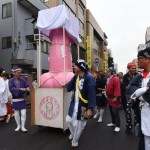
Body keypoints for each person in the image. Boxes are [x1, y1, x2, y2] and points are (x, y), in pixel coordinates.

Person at [66, 59, 96, 148]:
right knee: (69, 120)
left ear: (80, 67)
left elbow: (91, 94)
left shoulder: (89, 77)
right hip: (74, 103)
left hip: (83, 105)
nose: (74, 67)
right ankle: (73, 134)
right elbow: (68, 88)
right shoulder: (76, 76)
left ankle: (75, 141)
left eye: (75, 65)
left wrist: (90, 108)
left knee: (79, 124)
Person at [126, 47, 150, 150]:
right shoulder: (140, 76)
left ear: (148, 59)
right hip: (142, 113)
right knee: (144, 139)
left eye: (140, 58)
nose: (137, 60)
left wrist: (139, 93)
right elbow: (129, 89)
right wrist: (145, 91)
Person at [9, 68, 30, 132]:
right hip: (15, 99)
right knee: (16, 114)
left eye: (20, 73)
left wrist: (28, 88)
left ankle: (23, 127)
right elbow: (11, 88)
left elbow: (27, 86)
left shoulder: (23, 80)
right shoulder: (11, 80)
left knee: (23, 114)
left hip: (22, 98)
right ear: (14, 73)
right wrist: (19, 89)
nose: (20, 74)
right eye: (18, 73)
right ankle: (18, 125)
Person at [122, 62, 138, 133]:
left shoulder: (138, 75)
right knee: (127, 113)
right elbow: (126, 87)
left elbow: (139, 86)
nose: (134, 69)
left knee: (136, 113)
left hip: (136, 97)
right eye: (133, 68)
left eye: (135, 68)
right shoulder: (125, 77)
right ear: (129, 68)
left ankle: (136, 127)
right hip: (127, 98)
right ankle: (129, 126)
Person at [106, 67, 121, 132]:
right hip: (109, 97)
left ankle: (117, 125)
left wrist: (116, 97)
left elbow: (117, 88)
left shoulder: (115, 78)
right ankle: (113, 122)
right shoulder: (108, 78)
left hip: (114, 98)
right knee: (111, 111)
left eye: (108, 71)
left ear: (111, 72)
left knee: (115, 112)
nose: (107, 72)